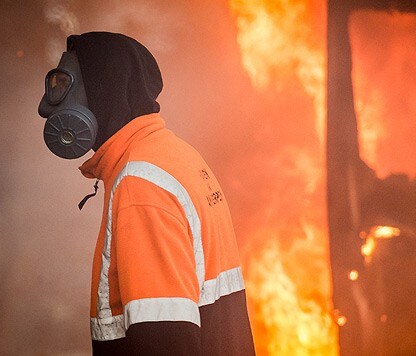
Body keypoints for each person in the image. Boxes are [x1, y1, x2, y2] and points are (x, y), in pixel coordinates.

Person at [37, 31, 255, 355]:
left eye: (64, 86)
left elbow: (165, 337)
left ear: (102, 91)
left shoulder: (140, 183)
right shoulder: (175, 154)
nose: (46, 107)